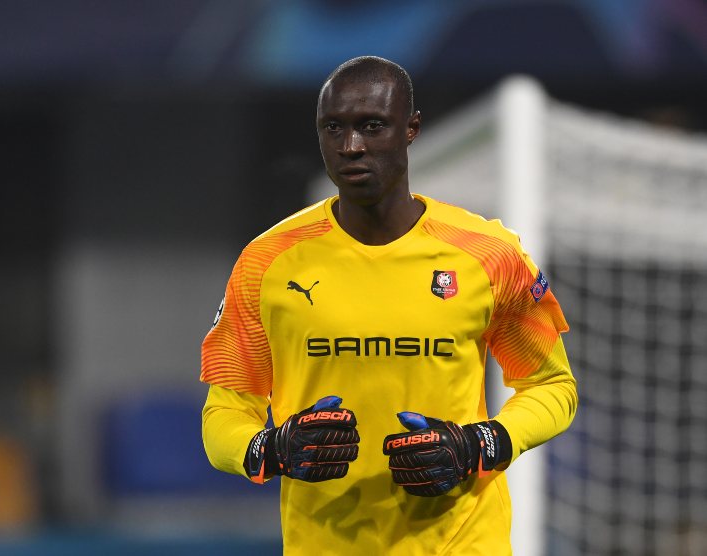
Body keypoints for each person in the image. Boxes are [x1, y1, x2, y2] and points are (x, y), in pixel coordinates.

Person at [200, 56, 577, 555]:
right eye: (333, 128)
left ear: (411, 129)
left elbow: (552, 386)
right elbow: (224, 413)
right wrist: (270, 449)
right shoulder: (266, 262)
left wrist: (480, 444)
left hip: (463, 543)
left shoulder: (488, 255)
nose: (350, 147)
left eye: (371, 127)